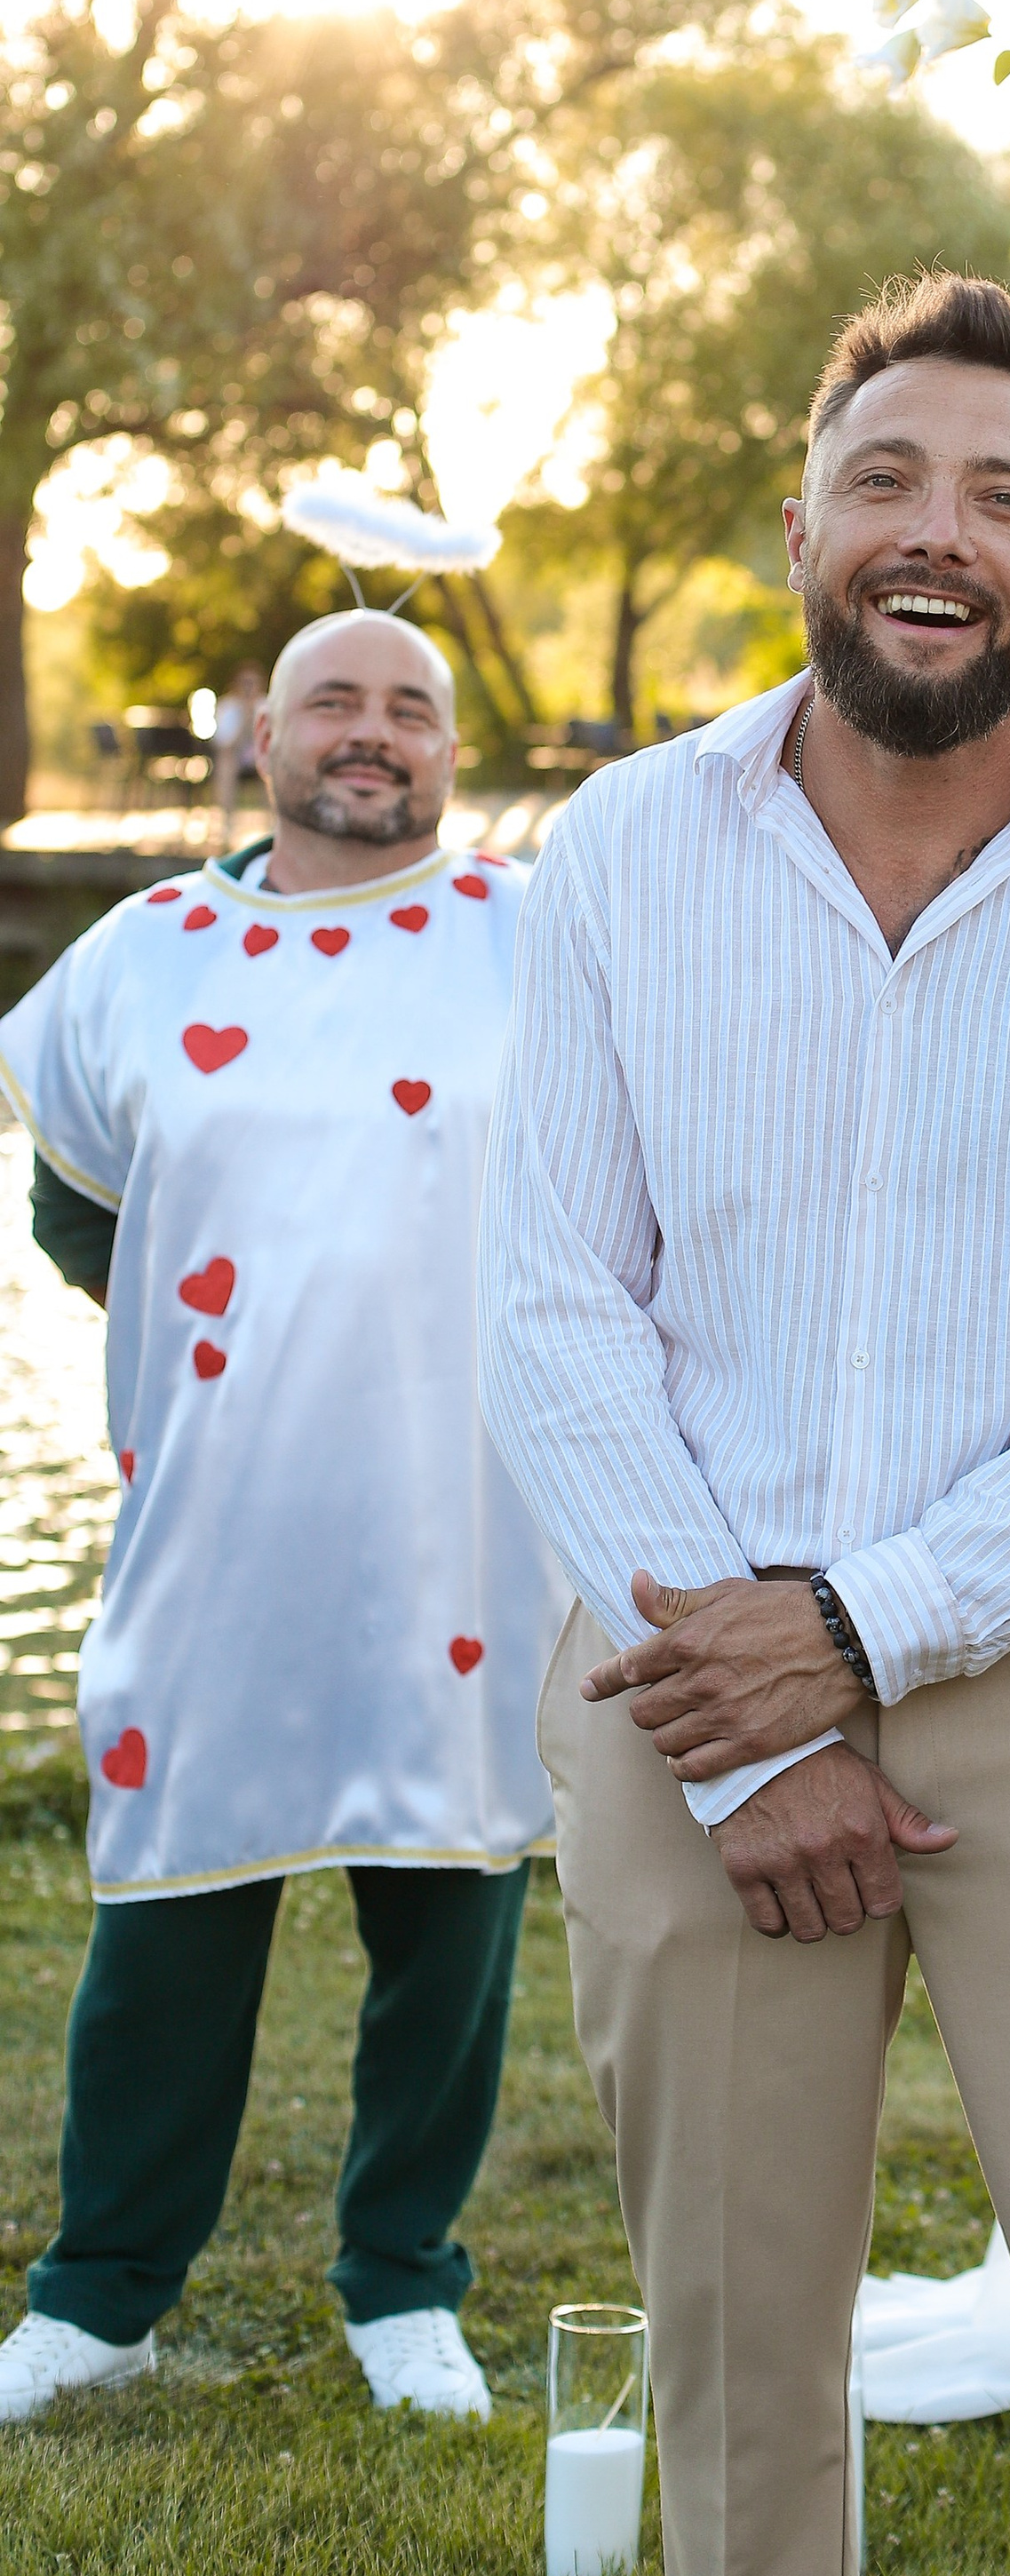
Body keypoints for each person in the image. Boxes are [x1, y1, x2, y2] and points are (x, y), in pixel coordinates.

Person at [480, 272, 1010, 2576]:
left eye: (1003, 495)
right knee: (737, 2368)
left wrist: (857, 1635)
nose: (937, 531)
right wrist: (747, 1726)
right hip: (682, 1691)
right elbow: (554, 1307)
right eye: (886, 479)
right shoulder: (622, 849)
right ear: (801, 527)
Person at [0, 610, 564, 2427]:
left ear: (449, 749)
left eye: (411, 707)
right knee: (171, 1887)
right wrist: (220, 1336)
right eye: (336, 700)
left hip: (462, 1511)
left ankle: (403, 2279)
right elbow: (75, 1200)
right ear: (266, 734)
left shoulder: (537, 937)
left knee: (449, 1905)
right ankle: (101, 2295)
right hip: (217, 1506)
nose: (372, 732)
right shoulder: (142, 955)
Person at [210, 658, 266, 843]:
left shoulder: (266, 706)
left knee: (272, 764)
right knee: (226, 763)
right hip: (236, 758)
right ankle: (227, 825)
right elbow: (225, 744)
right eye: (245, 683)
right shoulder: (227, 707)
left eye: (252, 683)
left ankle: (272, 825)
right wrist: (244, 717)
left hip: (262, 758)